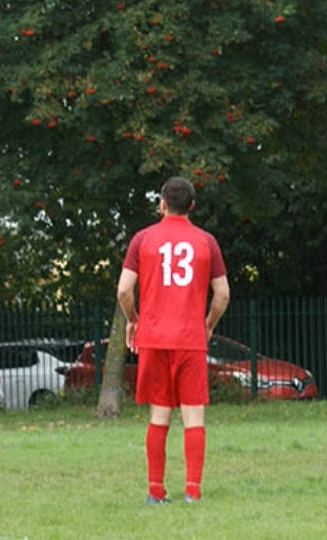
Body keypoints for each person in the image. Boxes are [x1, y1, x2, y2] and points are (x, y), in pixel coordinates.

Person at [116, 176, 230, 505]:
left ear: (162, 203)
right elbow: (222, 294)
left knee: (159, 415)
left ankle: (156, 491)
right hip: (190, 339)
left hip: (153, 338)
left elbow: (124, 290)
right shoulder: (206, 241)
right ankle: (192, 491)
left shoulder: (142, 239)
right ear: (192, 206)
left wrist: (133, 320)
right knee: (194, 417)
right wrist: (208, 324)